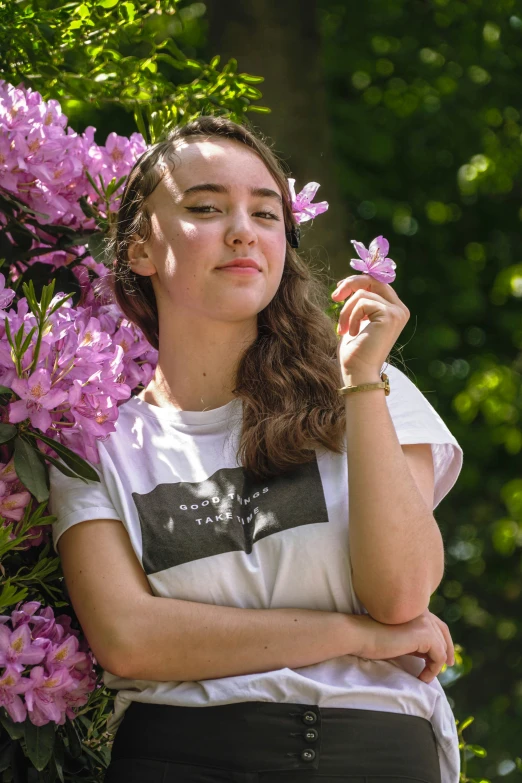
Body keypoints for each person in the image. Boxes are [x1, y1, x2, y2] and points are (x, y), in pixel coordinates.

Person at [48, 115, 464, 783]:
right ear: (139, 250)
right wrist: (356, 637)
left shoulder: (371, 389)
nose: (243, 229)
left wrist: (361, 382)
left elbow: (400, 595)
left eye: (266, 213)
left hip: (376, 753)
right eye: (206, 207)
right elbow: (128, 638)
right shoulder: (94, 443)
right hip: (178, 756)